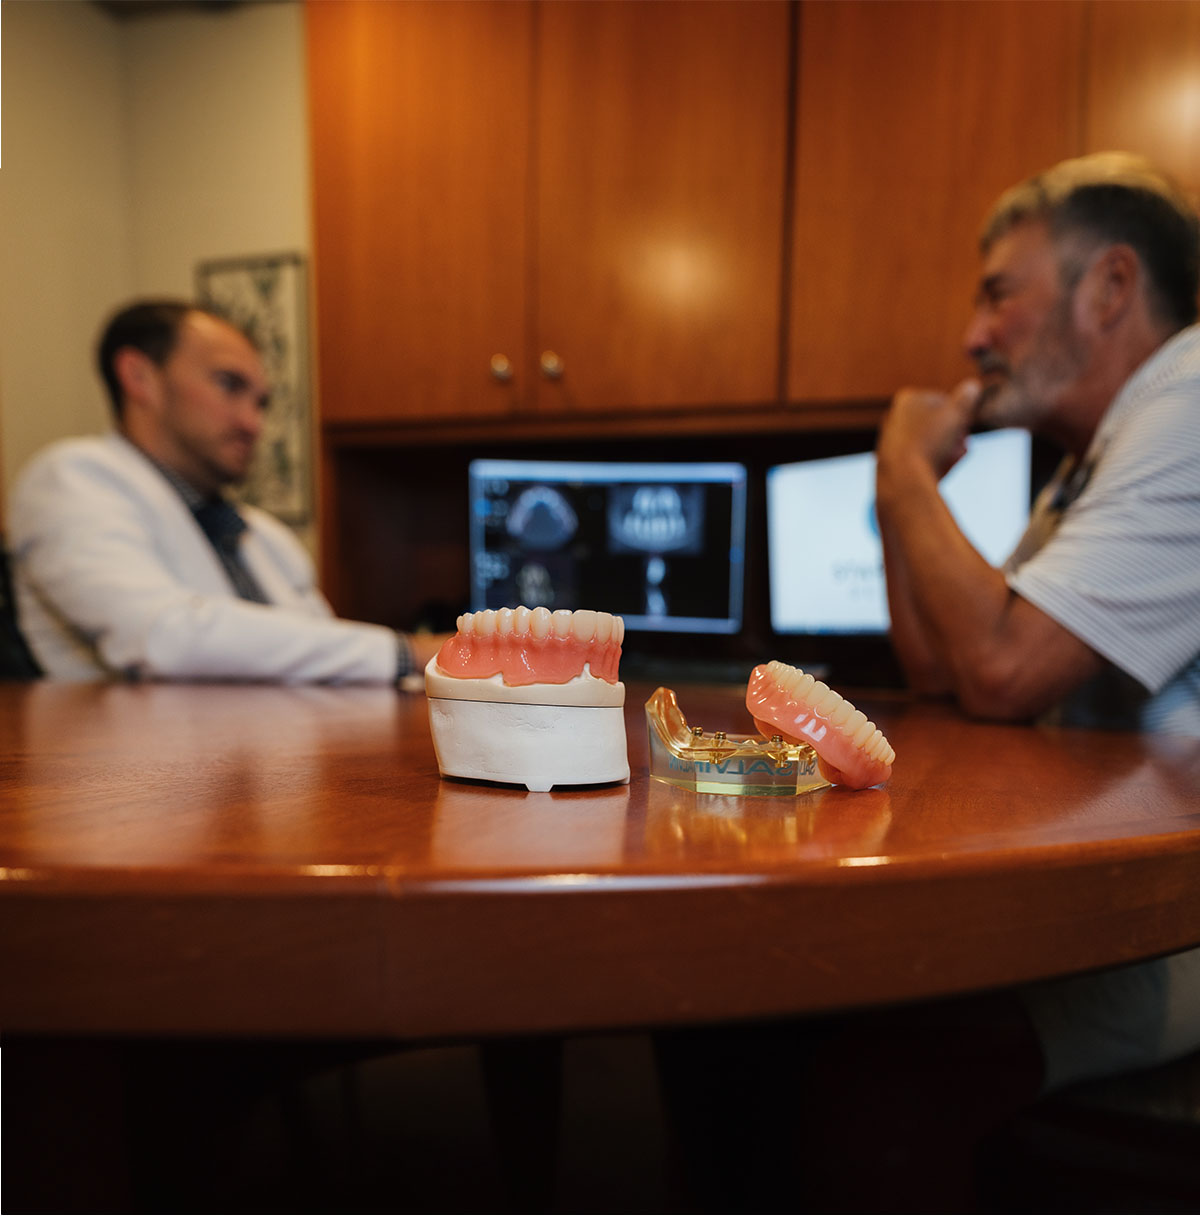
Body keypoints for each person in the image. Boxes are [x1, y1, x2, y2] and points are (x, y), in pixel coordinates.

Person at [657, 153, 1200, 1211]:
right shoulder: (1097, 454)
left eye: (1000, 291)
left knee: (878, 1079)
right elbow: (943, 668)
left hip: (1181, 918)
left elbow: (1000, 668)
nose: (972, 335)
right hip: (1127, 879)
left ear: (1111, 289)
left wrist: (902, 470)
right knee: (742, 1012)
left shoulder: (1188, 409)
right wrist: (894, 484)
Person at [9, 299, 445, 683]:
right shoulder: (70, 479)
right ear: (139, 376)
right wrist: (407, 653)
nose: (253, 424)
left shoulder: (262, 534)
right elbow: (164, 639)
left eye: (260, 403)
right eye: (230, 385)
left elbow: (326, 656)